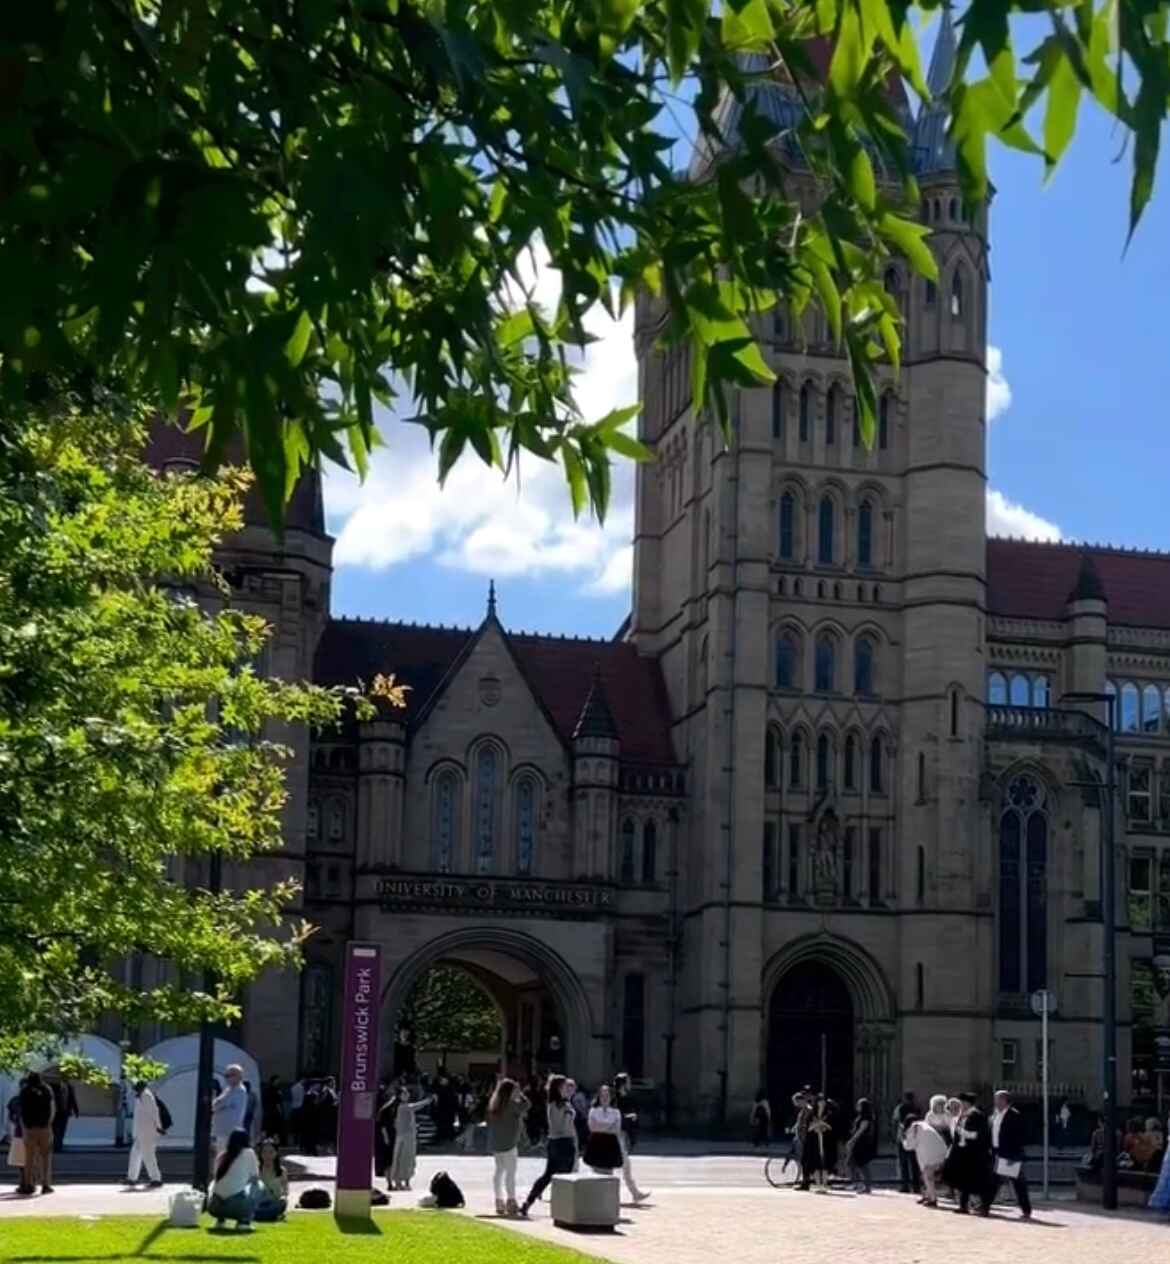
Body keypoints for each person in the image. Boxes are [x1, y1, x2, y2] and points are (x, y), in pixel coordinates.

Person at [519, 1074, 578, 1216]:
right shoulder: (555, 1105)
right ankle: (532, 1202)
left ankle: (532, 1202)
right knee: (557, 1176)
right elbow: (559, 1127)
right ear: (558, 1088)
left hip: (564, 1142)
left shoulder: (564, 1103)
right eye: (564, 1086)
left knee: (555, 1176)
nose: (567, 1089)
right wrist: (568, 1115)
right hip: (561, 1143)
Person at [945, 1092, 993, 1215]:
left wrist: (963, 1132)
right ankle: (963, 1205)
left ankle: (984, 1207)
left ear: (967, 1103)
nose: (960, 1105)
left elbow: (979, 1135)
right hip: (963, 1152)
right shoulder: (963, 1115)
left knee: (979, 1181)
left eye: (962, 1102)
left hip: (975, 1153)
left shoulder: (977, 1115)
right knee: (964, 1180)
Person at [487, 1077, 529, 1217]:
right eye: (515, 1090)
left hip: (497, 1143)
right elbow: (527, 1105)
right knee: (510, 1173)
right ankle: (511, 1200)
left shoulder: (494, 1105)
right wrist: (521, 1095)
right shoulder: (512, 1105)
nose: (517, 1092)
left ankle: (498, 1200)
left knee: (499, 1171)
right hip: (510, 1143)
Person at [989, 1089, 1031, 1220]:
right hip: (996, 1151)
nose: (995, 1102)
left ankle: (1026, 1209)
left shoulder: (1014, 1115)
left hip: (1010, 1153)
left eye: (997, 1099)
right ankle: (985, 1205)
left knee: (1018, 1183)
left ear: (1004, 1100)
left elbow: (1019, 1136)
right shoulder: (995, 1115)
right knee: (993, 1180)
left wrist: (1014, 1155)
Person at [207, 1128, 260, 1229]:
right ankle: (244, 1222)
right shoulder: (249, 1152)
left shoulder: (222, 1155)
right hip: (236, 1206)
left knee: (224, 1187)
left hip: (214, 1206)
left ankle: (220, 1221)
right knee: (259, 1186)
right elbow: (255, 1176)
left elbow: (216, 1178)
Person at [613, 1072, 650, 1204]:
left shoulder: (627, 1097)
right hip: (615, 1133)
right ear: (623, 1083)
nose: (630, 1084)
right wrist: (628, 1116)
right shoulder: (615, 1098)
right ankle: (634, 1193)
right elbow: (616, 1115)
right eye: (628, 1081)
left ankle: (635, 1193)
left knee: (624, 1164)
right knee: (621, 1164)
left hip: (623, 1133)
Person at [389, 1085, 432, 1191]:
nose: (407, 1095)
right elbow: (415, 1106)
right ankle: (398, 1181)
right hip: (404, 1137)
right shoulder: (402, 1107)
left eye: (407, 1093)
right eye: (404, 1093)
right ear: (399, 1096)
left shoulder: (405, 1106)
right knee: (402, 1159)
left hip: (409, 1136)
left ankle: (406, 1181)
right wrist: (427, 1101)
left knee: (409, 1159)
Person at [18, 1071, 55, 1195]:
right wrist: (49, 1124)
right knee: (45, 1158)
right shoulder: (47, 1089)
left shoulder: (24, 1091)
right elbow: (52, 1108)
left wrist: (24, 1128)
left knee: (29, 1158)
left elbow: (21, 1111)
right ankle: (45, 1184)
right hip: (44, 1127)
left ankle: (28, 1184)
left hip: (29, 1128)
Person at [913, 1095, 953, 1207]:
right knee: (925, 1171)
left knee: (938, 1170)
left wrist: (941, 1129)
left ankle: (948, 1191)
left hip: (943, 1141)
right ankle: (927, 1194)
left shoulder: (947, 1115)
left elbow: (950, 1128)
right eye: (937, 1104)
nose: (940, 1106)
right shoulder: (929, 1115)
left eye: (942, 1104)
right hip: (930, 1143)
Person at [125, 1080, 164, 1188]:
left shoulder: (147, 1096)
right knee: (135, 1155)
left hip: (147, 1132)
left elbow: (154, 1112)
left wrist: (159, 1126)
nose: (134, 1087)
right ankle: (132, 1178)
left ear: (141, 1086)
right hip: (140, 1132)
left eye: (136, 1086)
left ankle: (156, 1179)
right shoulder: (140, 1096)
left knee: (148, 1155)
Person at [211, 1065, 248, 1157]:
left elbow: (218, 1104)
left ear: (239, 1076)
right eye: (226, 1075)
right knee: (221, 1156)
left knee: (225, 1157)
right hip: (223, 1131)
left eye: (230, 1075)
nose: (227, 1078)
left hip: (229, 1132)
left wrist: (217, 1104)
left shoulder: (238, 1090)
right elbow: (216, 1104)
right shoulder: (229, 1089)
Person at [801, 1095, 833, 1192]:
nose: (822, 1103)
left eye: (823, 1101)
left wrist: (822, 1124)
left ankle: (825, 1184)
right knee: (815, 1164)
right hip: (813, 1141)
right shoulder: (811, 1114)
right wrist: (817, 1125)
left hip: (826, 1141)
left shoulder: (828, 1114)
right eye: (820, 1101)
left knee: (825, 1164)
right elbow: (808, 1128)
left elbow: (831, 1128)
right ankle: (818, 1185)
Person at [845, 1098, 877, 1193]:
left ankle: (867, 1186)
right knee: (850, 1163)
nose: (857, 1106)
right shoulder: (860, 1116)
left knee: (862, 1164)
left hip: (861, 1143)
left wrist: (852, 1140)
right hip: (857, 1143)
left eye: (859, 1105)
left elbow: (860, 1131)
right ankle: (856, 1183)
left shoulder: (866, 1118)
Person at [893, 1091, 922, 1194]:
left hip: (903, 1137)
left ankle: (905, 1186)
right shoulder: (917, 1108)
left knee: (903, 1163)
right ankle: (916, 1186)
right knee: (915, 1164)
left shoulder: (900, 1108)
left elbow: (896, 1121)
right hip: (915, 1137)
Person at [253, 1138, 289, 1221]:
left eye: (271, 1152)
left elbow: (285, 1190)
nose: (267, 1155)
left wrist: (283, 1197)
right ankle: (270, 1216)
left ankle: (263, 1215)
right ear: (261, 1154)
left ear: (276, 1153)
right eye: (264, 1152)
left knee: (282, 1203)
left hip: (274, 1203)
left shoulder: (281, 1171)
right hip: (260, 1203)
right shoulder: (256, 1170)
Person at [7, 1080, 28, 1195]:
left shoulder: (16, 1100)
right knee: (22, 1161)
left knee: (23, 1161)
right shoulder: (16, 1101)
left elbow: (11, 1116)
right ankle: (25, 1182)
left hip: (22, 1133)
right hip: (21, 1133)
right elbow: (11, 1116)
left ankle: (25, 1183)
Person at [49, 1078, 79, 1154]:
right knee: (55, 1129)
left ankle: (58, 1145)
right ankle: (55, 1145)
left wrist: (76, 1110)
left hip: (65, 1112)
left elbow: (72, 1099)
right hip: (56, 1111)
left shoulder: (70, 1087)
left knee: (62, 1129)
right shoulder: (54, 1086)